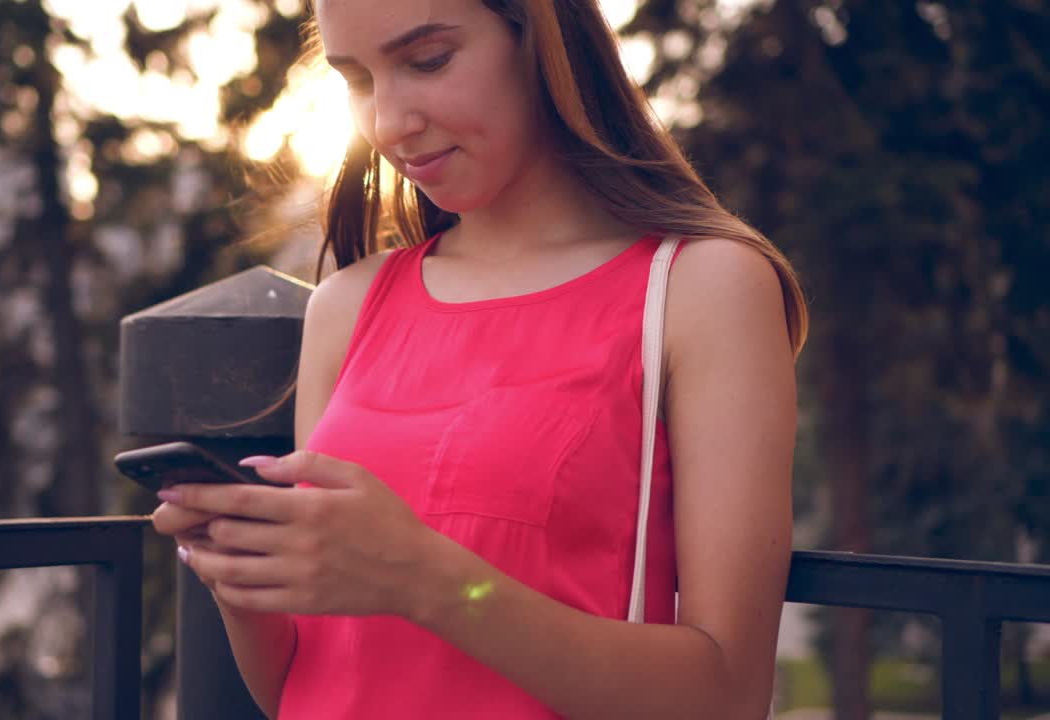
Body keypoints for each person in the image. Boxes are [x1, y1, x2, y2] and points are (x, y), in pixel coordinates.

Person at [152, 0, 807, 717]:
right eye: (357, 80)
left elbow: (728, 696)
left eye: (427, 60)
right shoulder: (346, 304)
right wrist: (242, 586)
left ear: (543, 42)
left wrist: (423, 577)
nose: (387, 123)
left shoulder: (699, 288)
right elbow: (300, 689)